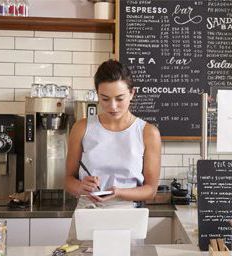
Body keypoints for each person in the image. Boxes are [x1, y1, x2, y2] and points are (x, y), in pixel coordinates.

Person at [65, 59, 161, 243]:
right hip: (88, 213)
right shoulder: (82, 128)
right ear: (97, 95)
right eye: (105, 99)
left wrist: (118, 192)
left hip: (126, 214)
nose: (113, 106)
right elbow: (68, 180)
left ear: (132, 93)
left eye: (120, 98)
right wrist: (81, 187)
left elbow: (150, 190)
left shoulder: (148, 132)